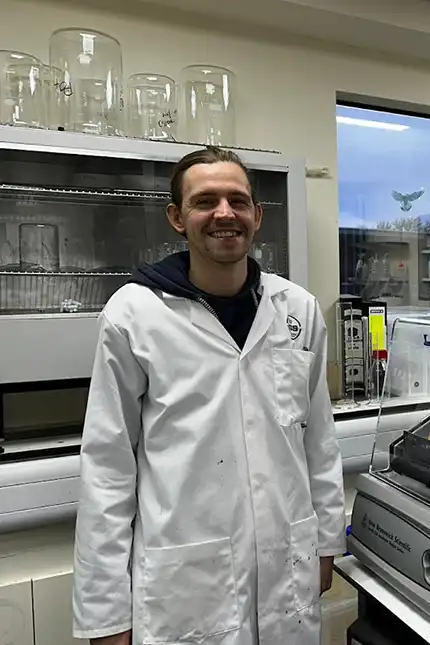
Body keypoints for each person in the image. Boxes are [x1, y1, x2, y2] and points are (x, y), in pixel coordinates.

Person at [72, 146, 345, 645]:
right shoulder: (133, 315)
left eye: (237, 201)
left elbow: (319, 444)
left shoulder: (298, 310)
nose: (224, 214)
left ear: (257, 217)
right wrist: (106, 615)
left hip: (289, 572)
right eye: (205, 202)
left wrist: (326, 542)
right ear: (178, 217)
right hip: (189, 584)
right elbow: (108, 471)